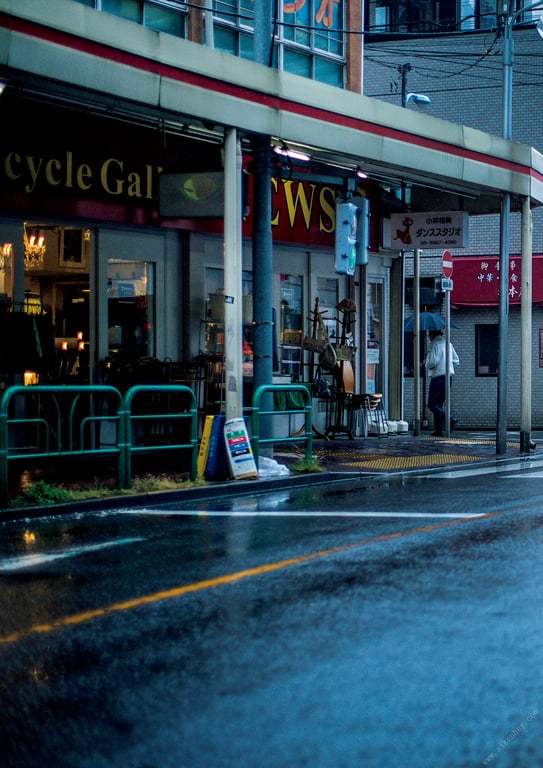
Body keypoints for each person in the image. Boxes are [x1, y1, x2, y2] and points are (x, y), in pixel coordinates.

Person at [425, 329, 460, 436]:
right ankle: (438, 430)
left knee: (431, 404)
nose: (428, 337)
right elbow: (456, 360)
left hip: (437, 377)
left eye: (428, 335)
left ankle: (449, 419)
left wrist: (426, 362)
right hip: (448, 377)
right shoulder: (448, 343)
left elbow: (432, 362)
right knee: (438, 405)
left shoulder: (434, 344)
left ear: (432, 334)